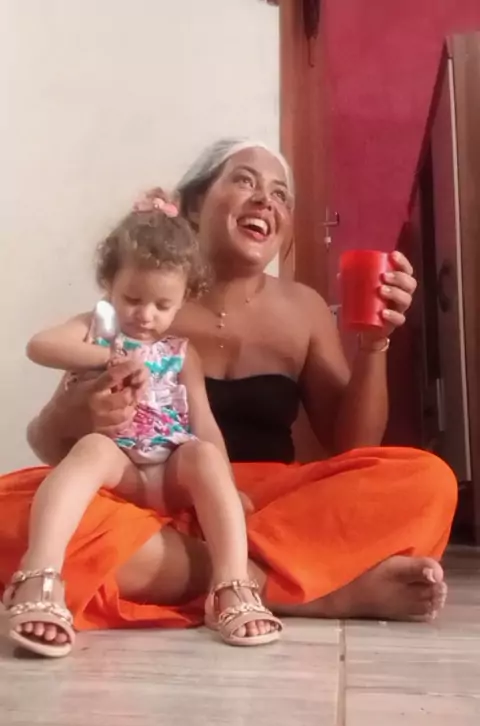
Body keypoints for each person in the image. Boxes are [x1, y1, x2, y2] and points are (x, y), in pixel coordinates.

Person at [0, 139, 457, 657]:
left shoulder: (303, 309)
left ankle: (203, 573)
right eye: (244, 180)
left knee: (428, 481)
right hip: (145, 496)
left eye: (280, 194)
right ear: (194, 205)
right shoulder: (142, 304)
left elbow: (353, 445)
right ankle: (295, 590)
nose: (265, 200)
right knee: (15, 512)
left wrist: (375, 345)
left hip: (260, 506)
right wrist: (87, 410)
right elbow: (45, 441)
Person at [3, 190, 282, 657]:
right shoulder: (100, 334)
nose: (145, 315)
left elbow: (204, 425)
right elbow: (40, 346)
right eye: (132, 298)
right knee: (91, 449)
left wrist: (228, 488)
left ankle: (232, 585)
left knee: (203, 454)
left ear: (183, 299)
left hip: (169, 472)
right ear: (109, 285)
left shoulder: (180, 353)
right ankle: (40, 576)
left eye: (162, 305)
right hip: (123, 470)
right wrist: (107, 356)